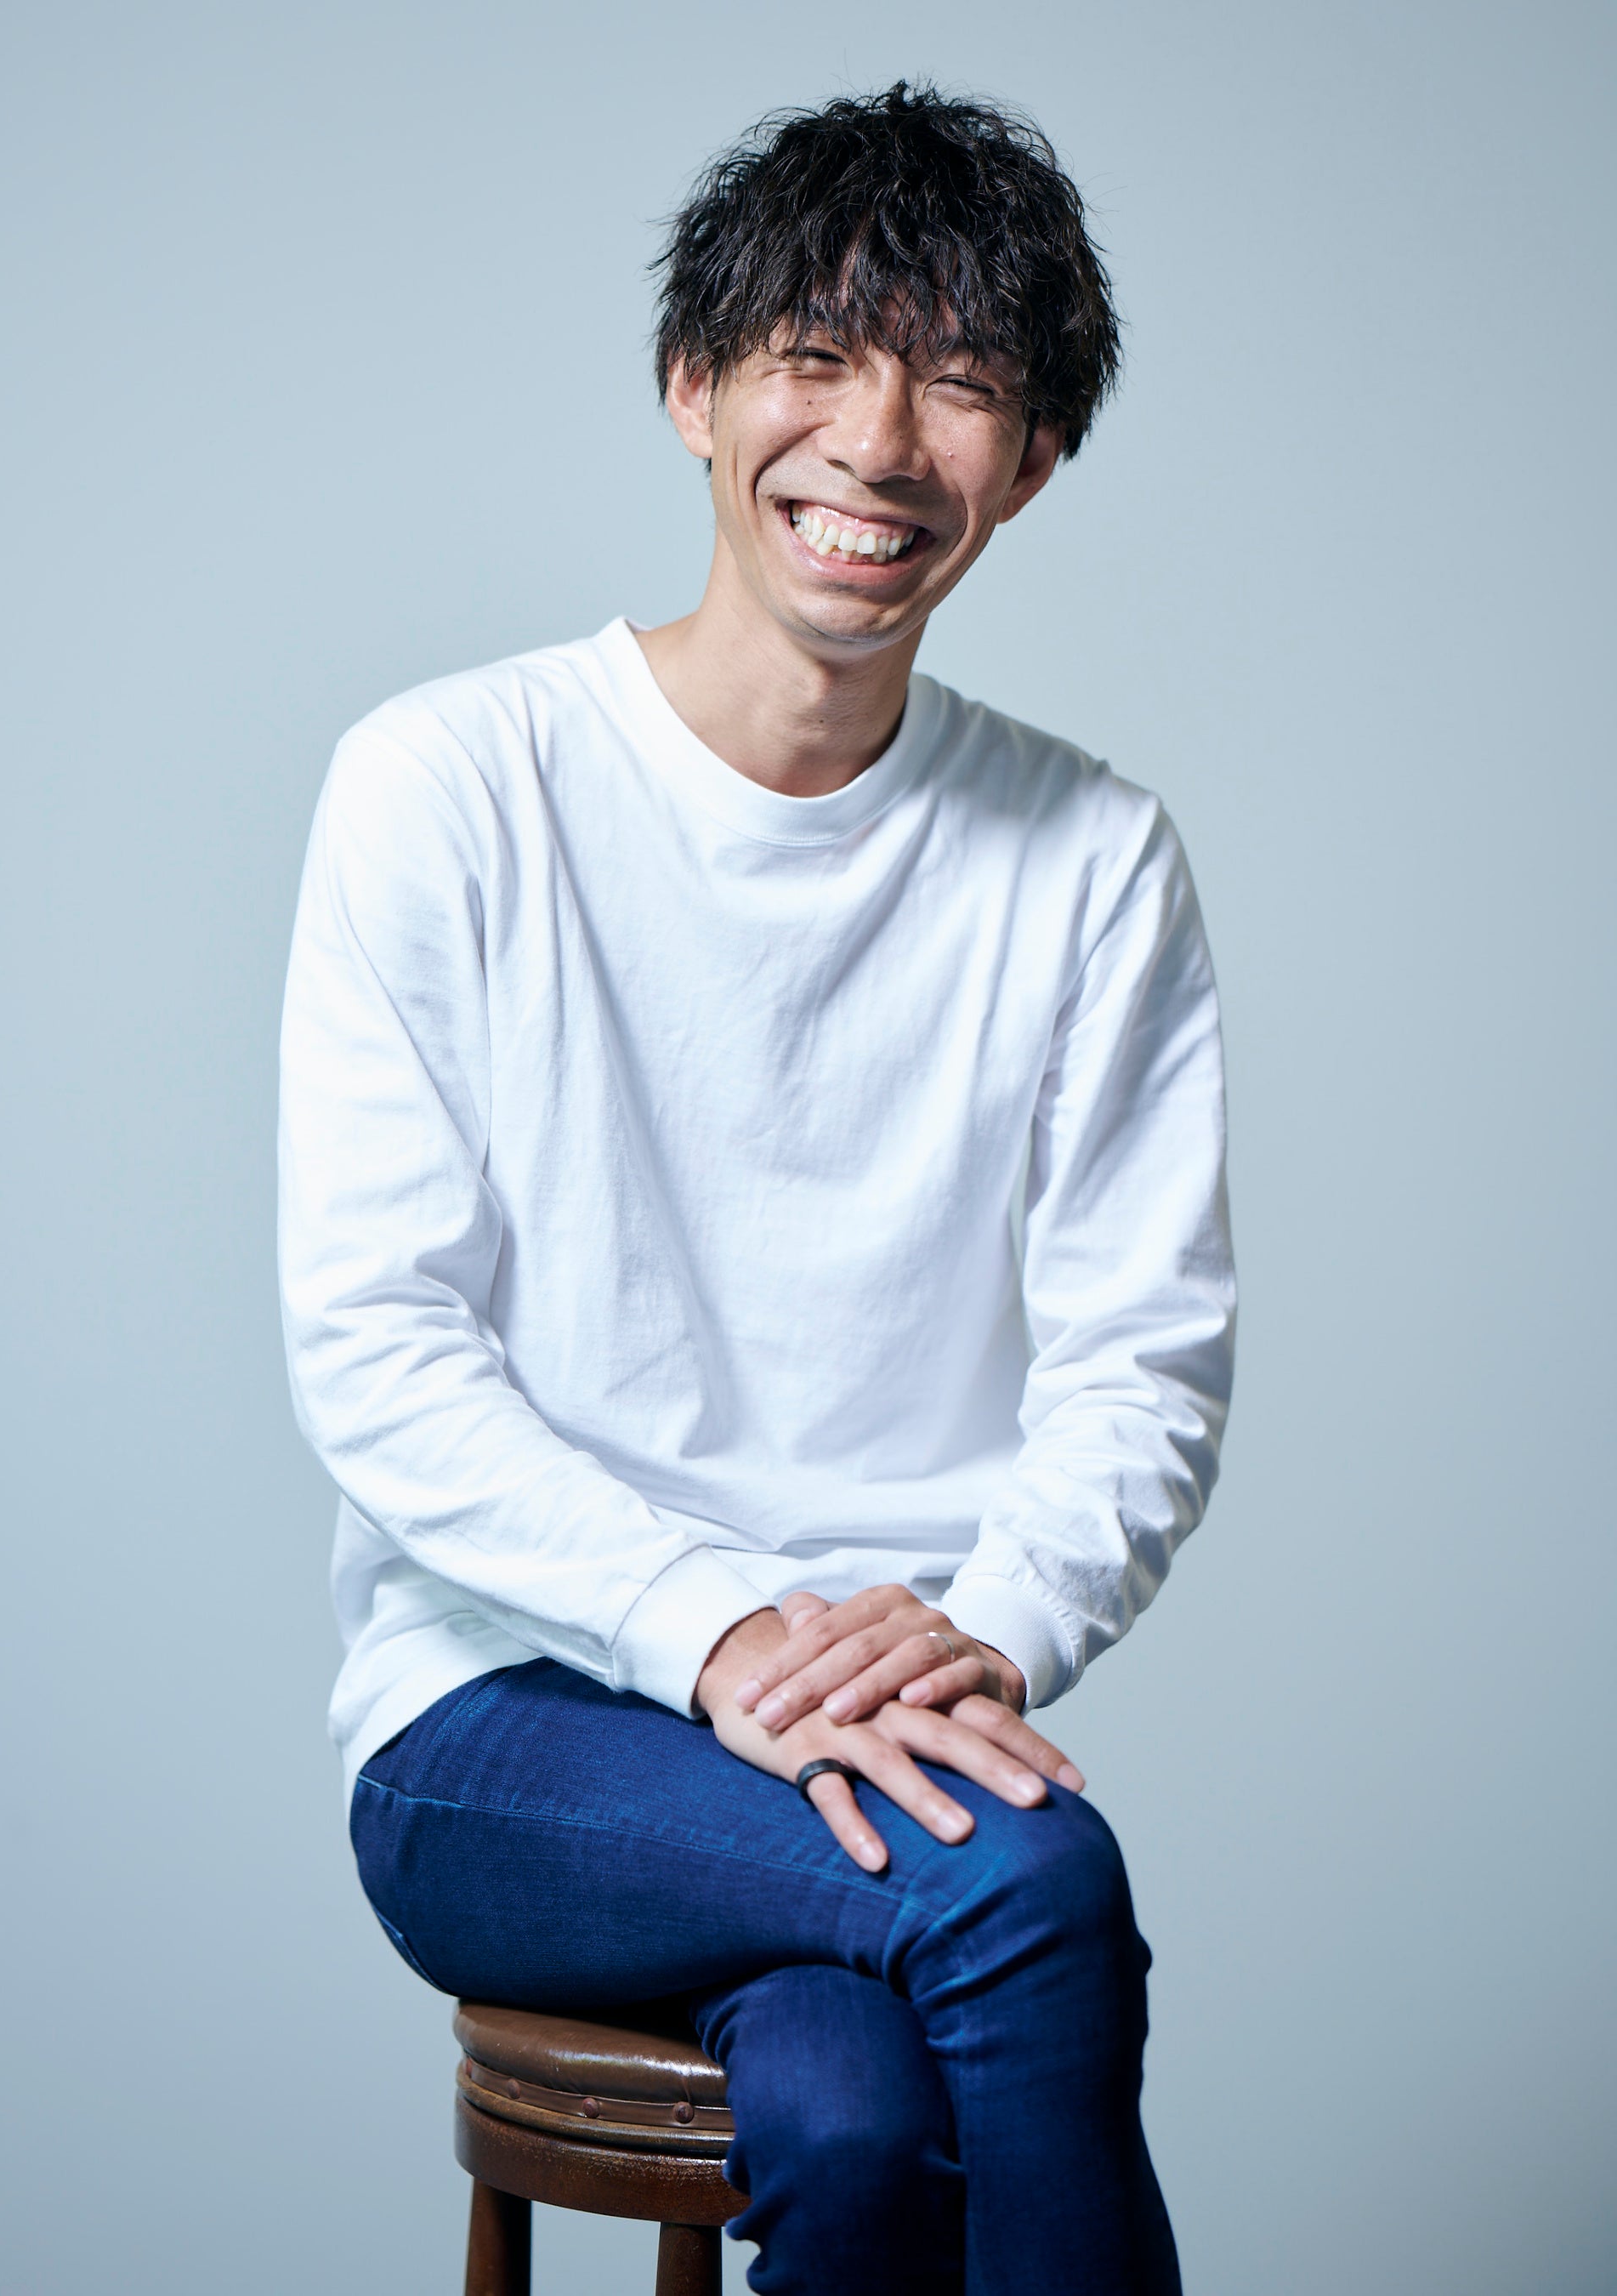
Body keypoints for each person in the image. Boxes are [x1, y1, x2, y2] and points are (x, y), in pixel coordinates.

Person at [279, 82, 1234, 2296]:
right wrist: (719, 1631)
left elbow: (1146, 1363)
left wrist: (985, 1629)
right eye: (816, 357)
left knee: (857, 2119)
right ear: (692, 385)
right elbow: (380, 1348)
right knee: (1028, 1885)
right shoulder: (451, 785)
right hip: (507, 1715)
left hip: (895, 1711)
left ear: (1035, 461)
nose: (879, 444)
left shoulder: (1095, 862)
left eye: (963, 383)